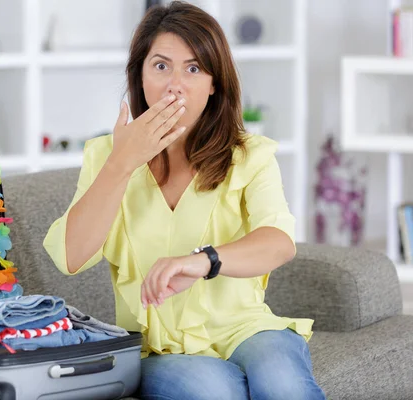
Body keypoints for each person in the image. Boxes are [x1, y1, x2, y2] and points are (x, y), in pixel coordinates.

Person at [43, 2, 326, 399]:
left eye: (193, 68)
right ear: (139, 76)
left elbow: (278, 242)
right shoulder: (106, 157)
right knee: (215, 391)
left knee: (283, 382)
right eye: (161, 66)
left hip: (245, 329)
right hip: (156, 348)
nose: (175, 84)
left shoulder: (250, 155)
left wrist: (204, 260)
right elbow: (71, 256)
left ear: (214, 84)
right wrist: (122, 163)